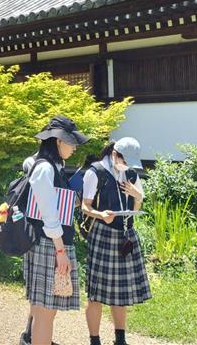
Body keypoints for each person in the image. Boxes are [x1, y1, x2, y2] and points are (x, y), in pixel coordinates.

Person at [20, 116, 88, 345]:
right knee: (46, 313)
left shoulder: (48, 166)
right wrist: (61, 252)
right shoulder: (46, 169)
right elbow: (49, 214)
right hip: (50, 245)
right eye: (71, 141)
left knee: (43, 311)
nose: (75, 146)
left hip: (46, 243)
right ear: (58, 141)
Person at [81, 137, 151, 345]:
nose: (127, 165)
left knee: (121, 292)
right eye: (124, 160)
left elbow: (135, 209)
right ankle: (95, 340)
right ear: (114, 154)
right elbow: (85, 207)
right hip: (103, 233)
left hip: (126, 235)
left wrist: (138, 197)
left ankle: (120, 339)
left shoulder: (131, 174)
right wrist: (101, 215)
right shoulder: (96, 172)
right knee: (96, 293)